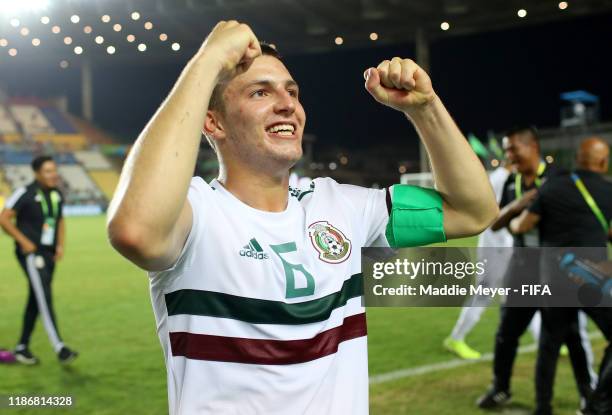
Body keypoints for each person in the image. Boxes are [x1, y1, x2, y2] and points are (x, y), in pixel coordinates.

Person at [107, 21, 498, 414]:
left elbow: (471, 210)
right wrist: (208, 61)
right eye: (260, 92)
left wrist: (426, 109)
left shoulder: (342, 206)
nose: (287, 104)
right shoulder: (196, 215)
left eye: (292, 92)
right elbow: (135, 230)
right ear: (213, 122)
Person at [477, 127, 595, 410]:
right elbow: (495, 221)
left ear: (532, 147)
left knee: (569, 334)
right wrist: (519, 204)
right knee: (507, 332)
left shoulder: (558, 178)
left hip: (555, 268)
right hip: (522, 267)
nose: (509, 155)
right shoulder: (511, 182)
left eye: (513, 148)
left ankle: (586, 392)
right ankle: (501, 388)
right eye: (506, 149)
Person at [511, 137, 612, 415]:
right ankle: (597, 403)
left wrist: (518, 212)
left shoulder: (551, 187)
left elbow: (522, 226)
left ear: (577, 159)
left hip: (553, 275)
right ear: (603, 162)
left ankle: (544, 407)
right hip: (593, 277)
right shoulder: (608, 190)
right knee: (578, 340)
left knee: (550, 344)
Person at [444, 161, 542, 360]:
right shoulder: (499, 178)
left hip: (508, 246)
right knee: (484, 294)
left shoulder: (513, 179)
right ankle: (456, 338)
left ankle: (543, 339)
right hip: (494, 247)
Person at [0, 155, 78, 365]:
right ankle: (59, 346)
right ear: (37, 173)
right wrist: (24, 242)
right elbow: (4, 218)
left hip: (49, 254)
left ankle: (22, 347)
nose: (53, 175)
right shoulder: (25, 192)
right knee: (44, 295)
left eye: (54, 170)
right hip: (31, 254)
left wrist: (60, 245)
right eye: (48, 171)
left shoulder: (56, 194)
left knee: (36, 298)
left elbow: (60, 220)